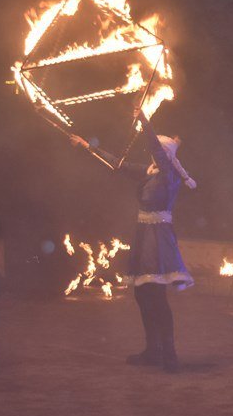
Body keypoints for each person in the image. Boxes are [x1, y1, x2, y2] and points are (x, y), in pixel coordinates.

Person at [70, 111, 196, 373]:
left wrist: (144, 120)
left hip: (158, 238)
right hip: (143, 235)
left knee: (157, 296)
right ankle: (153, 350)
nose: (153, 154)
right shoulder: (150, 172)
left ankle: (169, 353)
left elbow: (155, 147)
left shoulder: (169, 174)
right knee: (142, 294)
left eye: (158, 151)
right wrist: (86, 147)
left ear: (164, 154)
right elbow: (117, 164)